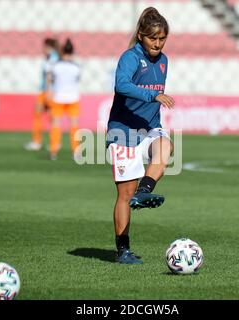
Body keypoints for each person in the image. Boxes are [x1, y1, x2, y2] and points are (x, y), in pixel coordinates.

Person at [106, 7, 174, 264]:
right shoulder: (130, 57)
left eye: (162, 38)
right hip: (123, 131)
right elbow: (121, 85)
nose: (157, 43)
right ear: (141, 36)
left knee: (166, 146)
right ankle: (123, 249)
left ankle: (145, 190)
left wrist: (153, 106)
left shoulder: (164, 60)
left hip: (149, 127)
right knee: (124, 194)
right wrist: (152, 95)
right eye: (152, 38)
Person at [48, 39, 81, 160]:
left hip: (58, 97)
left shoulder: (56, 66)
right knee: (74, 125)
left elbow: (50, 80)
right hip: (73, 97)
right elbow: (77, 80)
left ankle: (53, 151)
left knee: (56, 124)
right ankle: (76, 151)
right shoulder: (76, 67)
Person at [24, 38, 60, 151]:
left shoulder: (52, 59)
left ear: (49, 47)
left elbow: (50, 75)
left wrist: (48, 91)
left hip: (48, 91)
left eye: (44, 47)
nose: (43, 49)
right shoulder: (53, 58)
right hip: (49, 91)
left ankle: (38, 141)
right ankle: (53, 142)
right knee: (50, 116)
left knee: (44, 115)